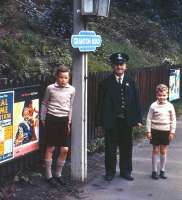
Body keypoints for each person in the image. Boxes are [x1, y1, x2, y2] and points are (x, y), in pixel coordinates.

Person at [97, 52, 143, 181]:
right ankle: (110, 172)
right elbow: (99, 104)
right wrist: (100, 123)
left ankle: (126, 171)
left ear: (125, 66)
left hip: (127, 121)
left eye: (121, 64)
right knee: (110, 147)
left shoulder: (131, 82)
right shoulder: (105, 83)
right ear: (113, 66)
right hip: (111, 121)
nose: (119, 67)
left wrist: (138, 119)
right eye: (117, 65)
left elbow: (136, 101)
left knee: (126, 146)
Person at [40, 65, 75, 187]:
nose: (63, 80)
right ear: (57, 77)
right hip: (51, 119)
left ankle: (58, 174)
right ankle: (49, 176)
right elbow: (44, 103)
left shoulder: (72, 90)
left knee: (65, 149)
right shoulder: (50, 88)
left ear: (69, 78)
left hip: (64, 120)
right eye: (61, 77)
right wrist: (43, 118)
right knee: (51, 147)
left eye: (66, 77)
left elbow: (70, 106)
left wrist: (69, 122)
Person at [146, 84, 176, 180]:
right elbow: (149, 119)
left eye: (163, 95)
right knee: (155, 150)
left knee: (163, 150)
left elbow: (173, 119)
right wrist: (148, 131)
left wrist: (172, 132)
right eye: (159, 95)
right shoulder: (153, 106)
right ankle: (154, 171)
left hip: (166, 131)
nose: (161, 97)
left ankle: (162, 170)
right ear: (156, 95)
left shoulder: (170, 106)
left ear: (167, 95)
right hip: (155, 130)